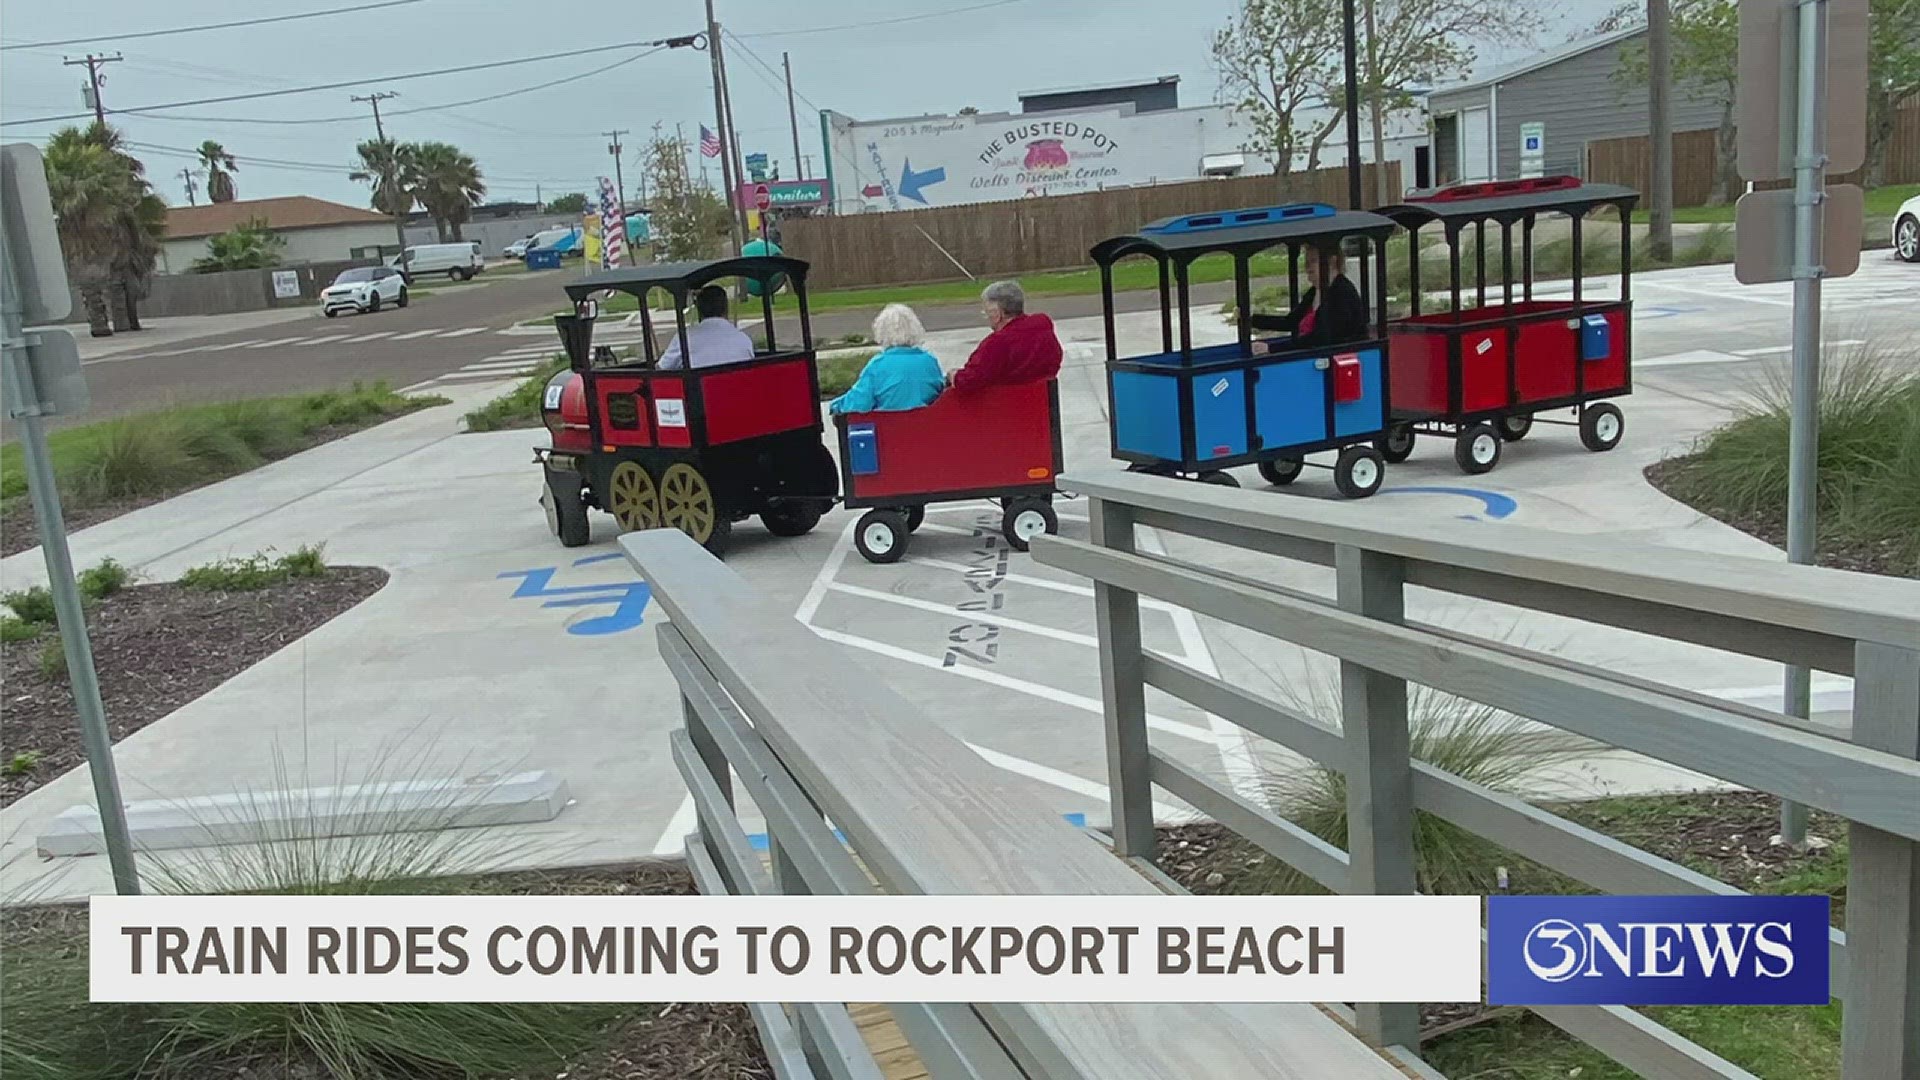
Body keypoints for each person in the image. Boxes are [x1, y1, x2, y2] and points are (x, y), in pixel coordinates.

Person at [828, 304, 946, 416]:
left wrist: (836, 405)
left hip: (889, 430)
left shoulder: (877, 365)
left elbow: (858, 404)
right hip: (924, 427)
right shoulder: (929, 362)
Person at [1248, 242, 1368, 352]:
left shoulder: (1342, 292)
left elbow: (1322, 337)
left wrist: (1272, 348)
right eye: (1306, 262)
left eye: (1313, 261)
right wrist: (1250, 320)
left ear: (1332, 262)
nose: (1307, 267)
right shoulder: (1315, 292)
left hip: (1343, 358)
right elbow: (1290, 322)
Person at [948, 280, 1063, 392]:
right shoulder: (1042, 327)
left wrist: (953, 376)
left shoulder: (997, 343)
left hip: (1006, 405)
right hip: (1043, 400)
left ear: (997, 313)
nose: (987, 317)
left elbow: (969, 380)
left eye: (986, 312)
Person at [657, 285, 757, 369]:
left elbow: (662, 369)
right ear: (726, 309)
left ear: (699, 310)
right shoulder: (743, 339)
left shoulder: (685, 338)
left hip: (698, 391)